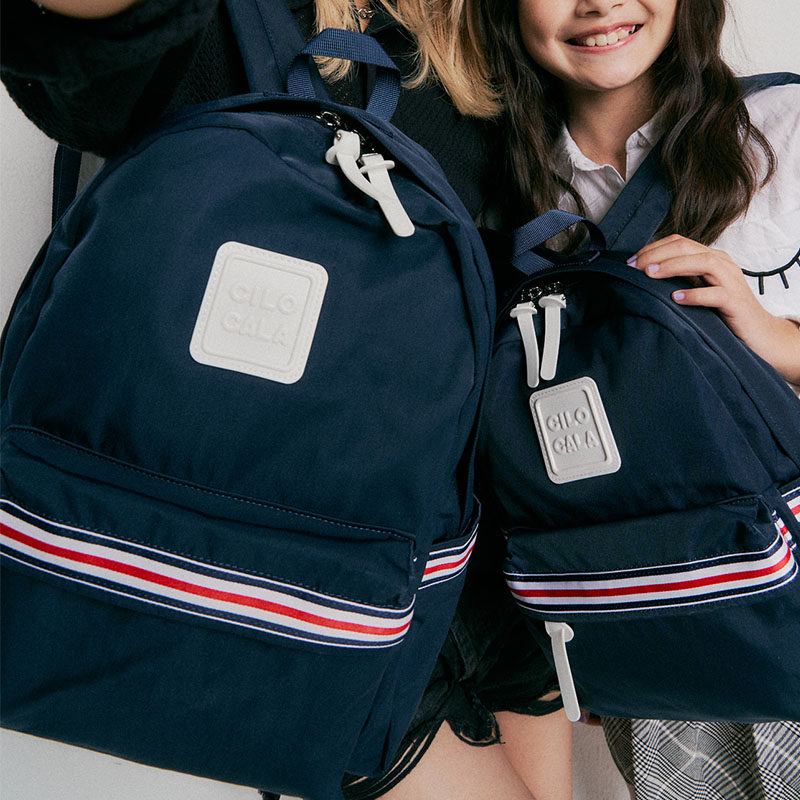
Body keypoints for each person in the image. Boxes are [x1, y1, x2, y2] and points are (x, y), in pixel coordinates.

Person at [1, 2, 573, 799]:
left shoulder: (479, 32)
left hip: (471, 560)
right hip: (310, 584)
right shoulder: (211, 24)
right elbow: (92, 37)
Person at [468, 0, 800, 797]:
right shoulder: (498, 194)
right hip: (657, 615)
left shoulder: (784, 128)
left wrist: (767, 333)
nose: (598, 3)